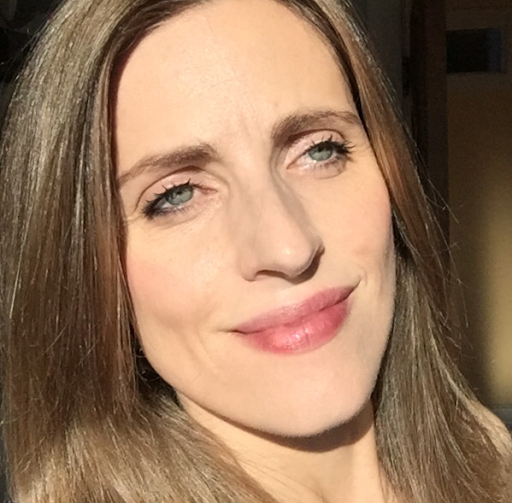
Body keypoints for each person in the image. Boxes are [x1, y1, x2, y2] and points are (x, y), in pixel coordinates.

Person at [0, 0, 510, 502]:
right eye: (176, 196)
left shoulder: (491, 462)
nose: (289, 248)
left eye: (319, 150)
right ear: (80, 271)